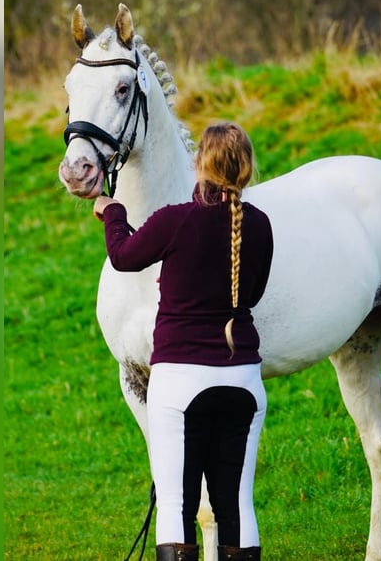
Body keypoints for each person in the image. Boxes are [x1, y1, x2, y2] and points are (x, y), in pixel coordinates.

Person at [93, 122, 274, 561]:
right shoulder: (261, 225)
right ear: (246, 170)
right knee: (237, 505)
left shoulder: (174, 220)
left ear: (200, 165)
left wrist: (113, 212)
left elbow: (122, 256)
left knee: (177, 505)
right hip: (244, 384)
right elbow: (252, 295)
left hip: (178, 388)